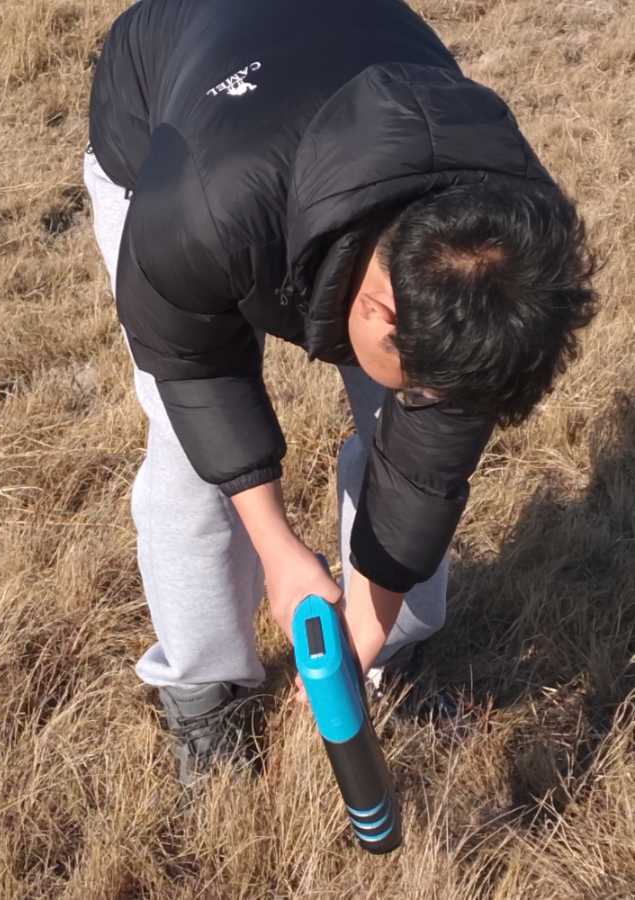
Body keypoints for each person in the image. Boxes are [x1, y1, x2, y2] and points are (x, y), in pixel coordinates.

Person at [84, 0, 597, 786]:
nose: (434, 405)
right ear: (378, 307)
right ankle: (203, 684)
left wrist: (365, 629)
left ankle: (392, 656)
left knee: (415, 418)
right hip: (176, 127)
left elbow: (428, 460)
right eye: (425, 383)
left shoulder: (509, 243)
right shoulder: (197, 208)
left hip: (343, 96)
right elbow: (197, 374)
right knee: (190, 454)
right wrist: (280, 553)